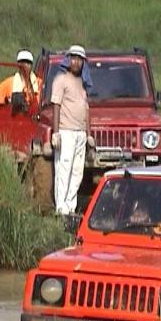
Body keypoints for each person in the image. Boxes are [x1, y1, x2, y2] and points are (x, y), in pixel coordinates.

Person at [50, 45, 95, 215]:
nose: (76, 62)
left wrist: (88, 134)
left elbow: (86, 109)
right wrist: (56, 133)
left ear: (83, 62)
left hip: (80, 133)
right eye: (73, 58)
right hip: (66, 132)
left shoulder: (83, 84)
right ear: (68, 60)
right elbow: (56, 105)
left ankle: (71, 207)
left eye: (79, 59)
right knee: (64, 169)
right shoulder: (61, 80)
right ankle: (61, 209)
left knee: (77, 172)